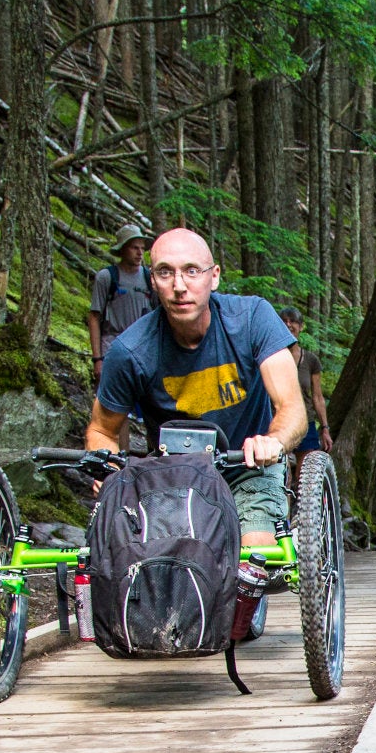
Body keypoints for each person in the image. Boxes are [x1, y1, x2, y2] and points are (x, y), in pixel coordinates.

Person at [87, 231, 307, 569]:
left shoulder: (252, 318)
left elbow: (292, 409)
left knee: (253, 563)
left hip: (249, 468)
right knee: (161, 571)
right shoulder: (130, 351)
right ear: (152, 281)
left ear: (214, 276)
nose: (179, 286)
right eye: (165, 272)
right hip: (173, 479)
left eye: (191, 271)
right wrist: (109, 471)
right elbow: (102, 429)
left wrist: (272, 441)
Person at [87, 224, 156, 386]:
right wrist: (97, 359)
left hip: (142, 351)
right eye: (134, 248)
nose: (140, 253)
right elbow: (94, 317)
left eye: (142, 248)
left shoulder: (150, 279)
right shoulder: (107, 277)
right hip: (112, 348)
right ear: (122, 249)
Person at [278, 307, 332, 471]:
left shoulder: (310, 360)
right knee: (283, 475)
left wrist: (325, 429)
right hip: (278, 423)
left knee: (306, 475)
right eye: (284, 321)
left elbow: (317, 397)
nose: (288, 325)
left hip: (305, 423)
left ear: (301, 326)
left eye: (293, 321)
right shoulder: (272, 357)